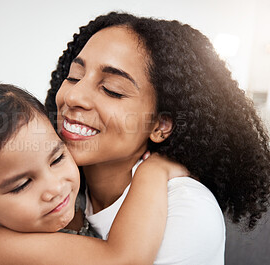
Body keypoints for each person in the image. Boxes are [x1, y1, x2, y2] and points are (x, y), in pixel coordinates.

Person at [44, 11, 270, 264]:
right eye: (74, 77)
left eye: (112, 90)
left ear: (161, 125)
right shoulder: (52, 186)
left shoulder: (186, 210)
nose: (74, 96)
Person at [0, 82, 188, 264]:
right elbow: (123, 259)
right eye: (21, 185)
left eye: (58, 158)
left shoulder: (78, 192)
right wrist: (152, 170)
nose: (55, 188)